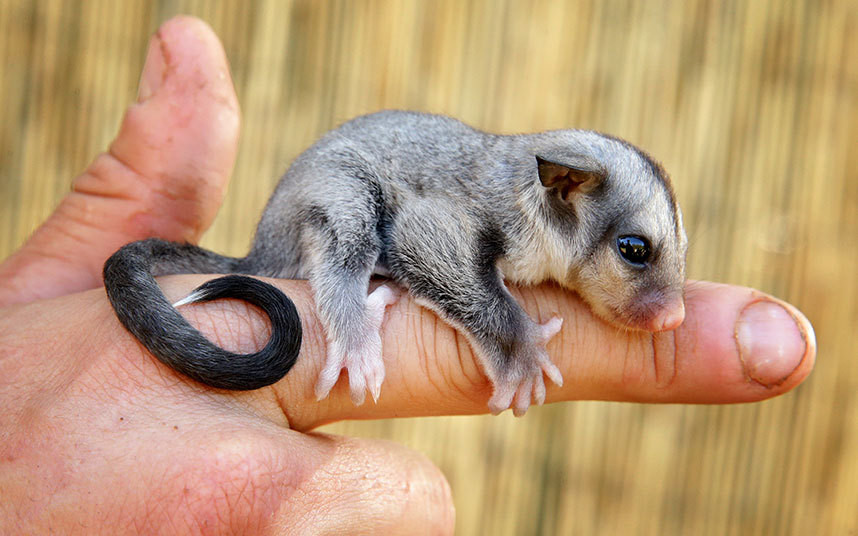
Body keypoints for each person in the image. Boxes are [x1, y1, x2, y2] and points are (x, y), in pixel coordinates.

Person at [0, 16, 815, 534]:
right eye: (635, 259)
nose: (663, 310)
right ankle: (342, 310)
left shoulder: (549, 206)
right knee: (358, 211)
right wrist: (507, 341)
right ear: (565, 191)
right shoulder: (519, 209)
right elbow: (429, 241)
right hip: (326, 218)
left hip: (351, 241)